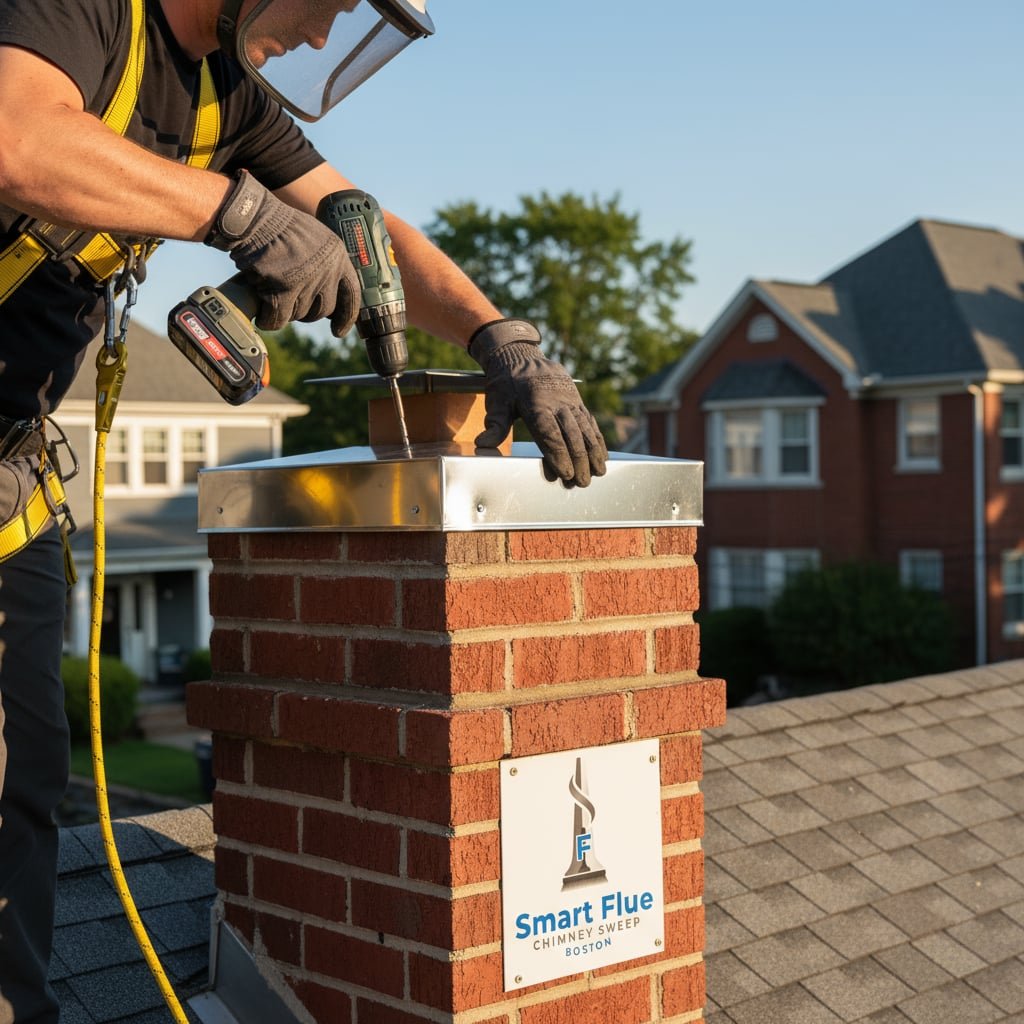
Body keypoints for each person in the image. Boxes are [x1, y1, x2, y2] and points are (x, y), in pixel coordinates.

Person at [0, 1, 608, 1019]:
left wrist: (503, 336)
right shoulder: (82, 12)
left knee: (21, 791)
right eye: (324, 4)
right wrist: (236, 215)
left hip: (9, 480)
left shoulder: (226, 102)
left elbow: (367, 230)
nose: (324, 38)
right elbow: (18, 138)